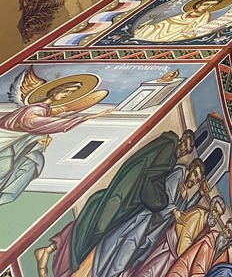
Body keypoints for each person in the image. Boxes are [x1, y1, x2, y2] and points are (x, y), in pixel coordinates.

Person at [34, 130, 196, 277]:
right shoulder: (169, 148)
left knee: (96, 220)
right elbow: (151, 178)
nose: (183, 151)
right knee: (98, 227)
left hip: (128, 193)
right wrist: (164, 202)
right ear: (181, 140)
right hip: (127, 193)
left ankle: (49, 249)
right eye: (184, 146)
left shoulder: (169, 152)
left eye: (186, 151)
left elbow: (152, 176)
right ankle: (50, 251)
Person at [0, 74, 109, 207]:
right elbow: (31, 123)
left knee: (30, 163)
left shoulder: (43, 109)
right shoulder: (35, 109)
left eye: (71, 93)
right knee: (6, 166)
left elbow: (49, 117)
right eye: (66, 91)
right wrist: (83, 119)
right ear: (55, 91)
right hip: (6, 139)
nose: (67, 95)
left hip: (15, 142)